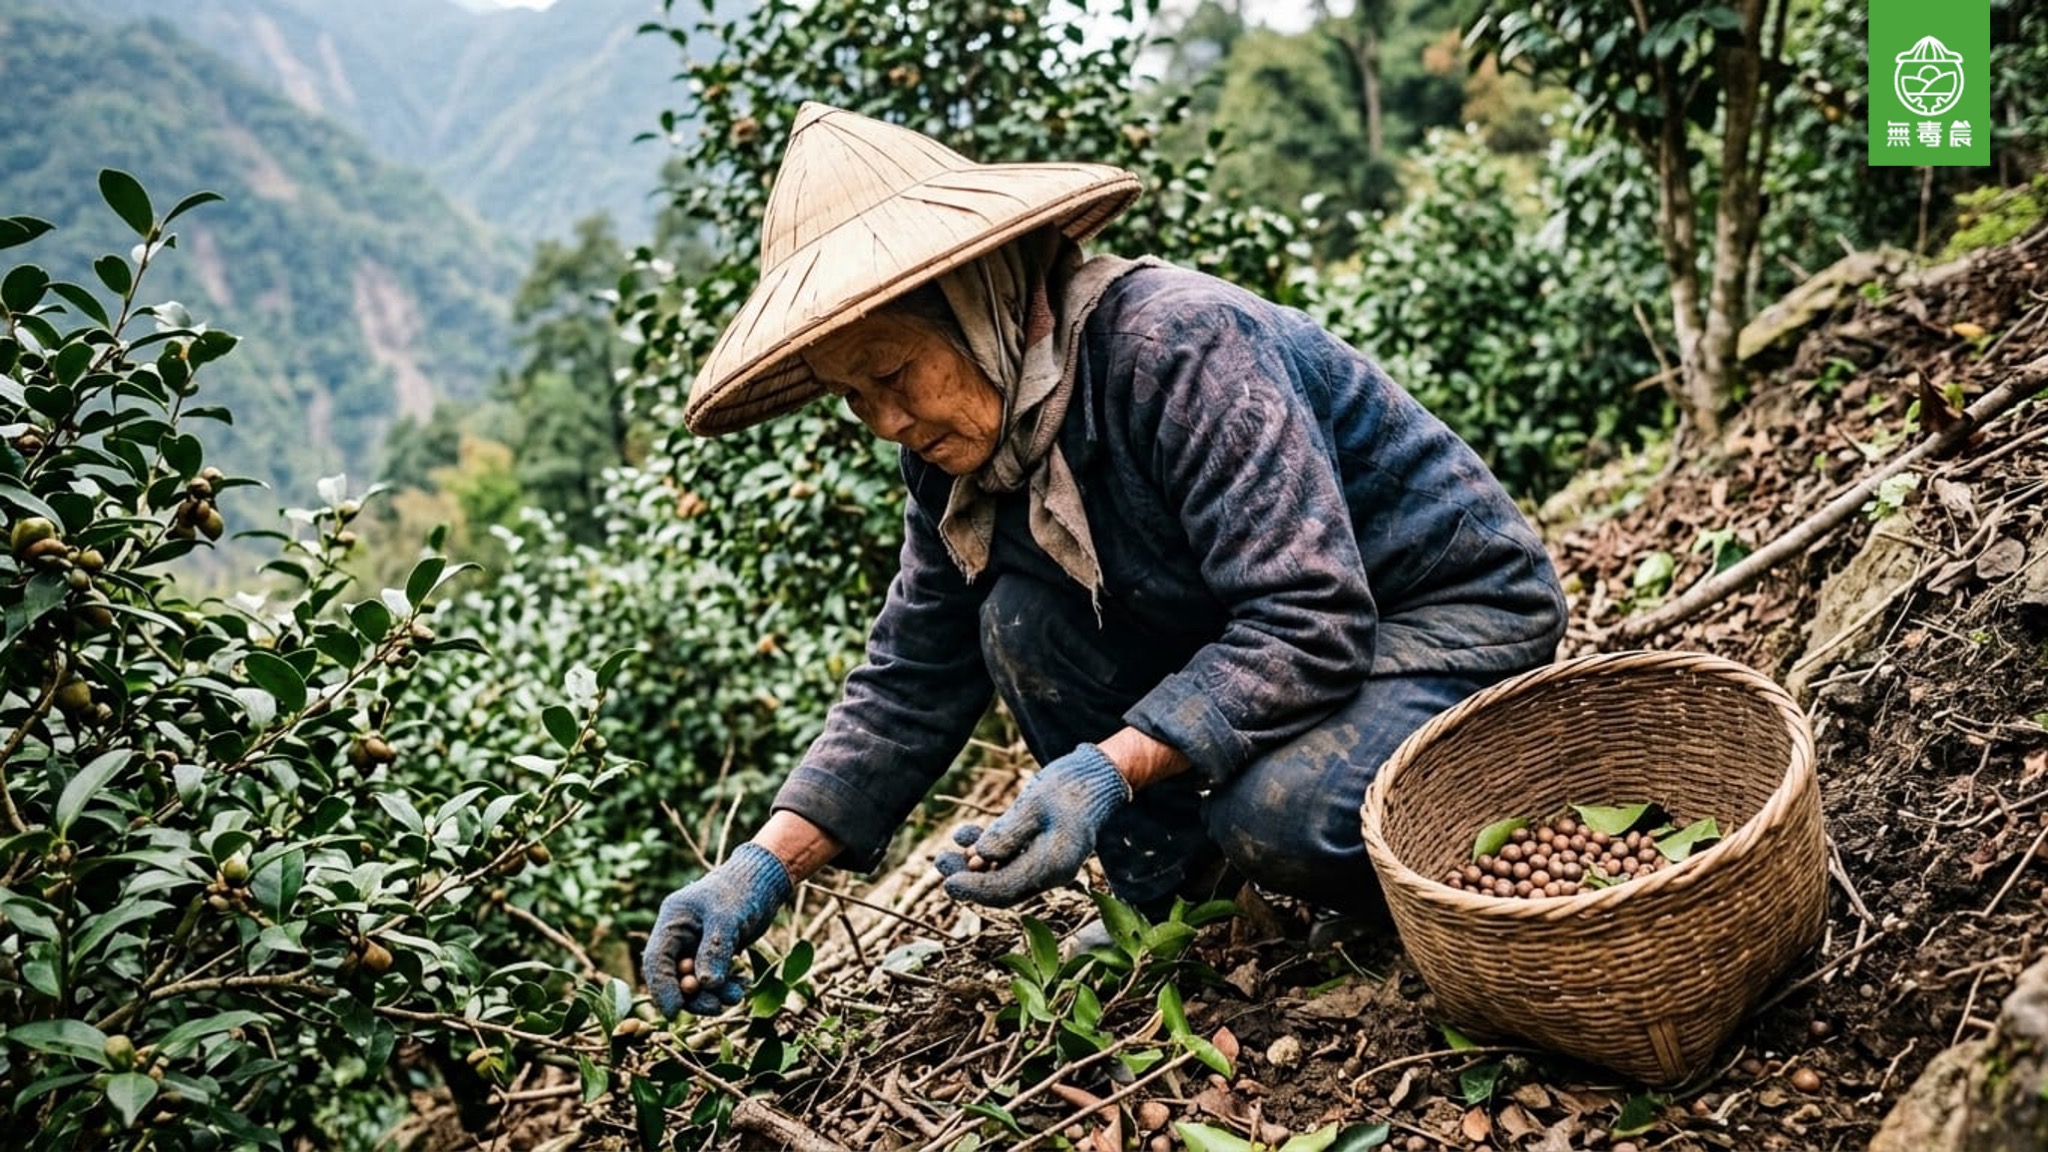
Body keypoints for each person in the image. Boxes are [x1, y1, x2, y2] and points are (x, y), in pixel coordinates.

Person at [642, 103, 1566, 1017]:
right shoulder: (958, 455)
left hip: (1442, 617)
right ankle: (1183, 895)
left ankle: (1429, 877)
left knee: (1279, 816)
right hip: (1274, 637)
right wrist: (764, 862)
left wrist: (1107, 770)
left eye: (891, 374)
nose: (886, 420)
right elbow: (915, 670)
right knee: (1017, 621)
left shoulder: (1180, 349)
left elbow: (1308, 617)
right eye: (851, 397)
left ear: (981, 303)